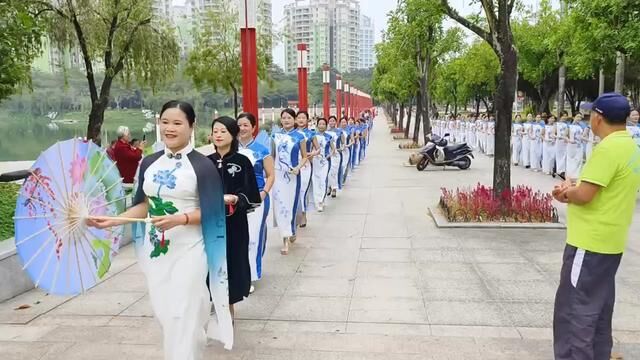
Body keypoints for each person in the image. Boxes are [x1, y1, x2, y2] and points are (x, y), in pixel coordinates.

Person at [88, 100, 234, 357]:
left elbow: (214, 211)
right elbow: (145, 204)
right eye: (165, 122)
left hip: (190, 248)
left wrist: (182, 219)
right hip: (157, 250)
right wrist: (114, 221)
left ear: (192, 126)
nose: (170, 128)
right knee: (166, 313)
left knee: (181, 312)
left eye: (177, 123)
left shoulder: (202, 166)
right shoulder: (149, 163)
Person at [552, 93, 639, 360]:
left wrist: (564, 193)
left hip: (588, 244)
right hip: (610, 243)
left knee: (574, 312)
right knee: (599, 310)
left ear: (598, 118)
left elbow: (585, 195)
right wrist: (578, 184)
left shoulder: (607, 149)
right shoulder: (630, 147)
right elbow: (604, 186)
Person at [208, 116, 261, 318]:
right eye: (215, 131)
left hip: (234, 224)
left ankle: (229, 309)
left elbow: (252, 194)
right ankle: (214, 301)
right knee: (210, 263)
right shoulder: (205, 163)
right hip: (209, 223)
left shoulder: (242, 161)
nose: (218, 135)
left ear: (233, 134)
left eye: (223, 131)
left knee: (232, 262)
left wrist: (236, 199)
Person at [237, 113, 275, 290]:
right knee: (238, 239)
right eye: (240, 125)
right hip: (235, 200)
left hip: (256, 199)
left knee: (253, 238)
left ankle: (250, 276)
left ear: (253, 128)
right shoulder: (230, 149)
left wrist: (264, 193)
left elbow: (270, 175)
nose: (242, 128)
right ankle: (239, 273)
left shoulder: (262, 150)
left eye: (246, 125)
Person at [272, 109, 308, 255]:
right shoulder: (275, 136)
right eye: (284, 118)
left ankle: (291, 229)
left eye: (289, 118)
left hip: (293, 176)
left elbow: (305, 156)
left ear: (294, 119)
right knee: (280, 207)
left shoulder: (300, 137)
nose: (286, 120)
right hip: (278, 176)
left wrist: (298, 167)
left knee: (290, 205)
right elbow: (271, 156)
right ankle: (284, 239)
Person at [296, 110, 318, 228]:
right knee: (294, 191)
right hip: (293, 166)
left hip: (305, 166)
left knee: (303, 190)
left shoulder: (311, 134)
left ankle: (303, 214)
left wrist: (312, 154)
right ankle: (295, 214)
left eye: (303, 118)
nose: (301, 120)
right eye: (298, 117)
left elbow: (318, 149)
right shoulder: (292, 135)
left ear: (307, 120)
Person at [311, 118, 335, 212]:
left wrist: (329, 155)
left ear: (326, 126)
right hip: (315, 161)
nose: (321, 126)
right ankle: (317, 201)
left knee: (323, 180)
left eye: (323, 124)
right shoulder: (313, 136)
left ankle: (321, 200)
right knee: (315, 181)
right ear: (317, 125)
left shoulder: (329, 136)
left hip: (325, 162)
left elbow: (333, 148)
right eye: (319, 124)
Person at [326, 115, 345, 197]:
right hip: (328, 155)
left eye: (333, 121)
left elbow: (343, 142)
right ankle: (329, 186)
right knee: (328, 171)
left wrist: (341, 148)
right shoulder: (325, 133)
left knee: (333, 172)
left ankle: (334, 188)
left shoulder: (339, 132)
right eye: (330, 121)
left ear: (336, 122)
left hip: (336, 154)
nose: (332, 122)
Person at [566, 113, 586, 180]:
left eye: (580, 117)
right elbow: (565, 135)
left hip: (579, 146)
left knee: (578, 160)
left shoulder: (581, 127)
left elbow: (582, 136)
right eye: (577, 117)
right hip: (571, 146)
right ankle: (569, 175)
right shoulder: (569, 126)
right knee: (570, 160)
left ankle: (576, 176)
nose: (579, 118)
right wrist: (569, 140)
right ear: (574, 117)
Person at [555, 111, 570, 178]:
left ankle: (563, 171)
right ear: (560, 116)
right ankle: (560, 171)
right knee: (559, 156)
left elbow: (568, 134)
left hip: (565, 142)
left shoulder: (567, 125)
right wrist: (559, 137)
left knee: (565, 156)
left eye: (566, 116)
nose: (565, 117)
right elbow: (553, 134)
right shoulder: (556, 124)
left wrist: (567, 138)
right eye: (563, 115)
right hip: (559, 142)